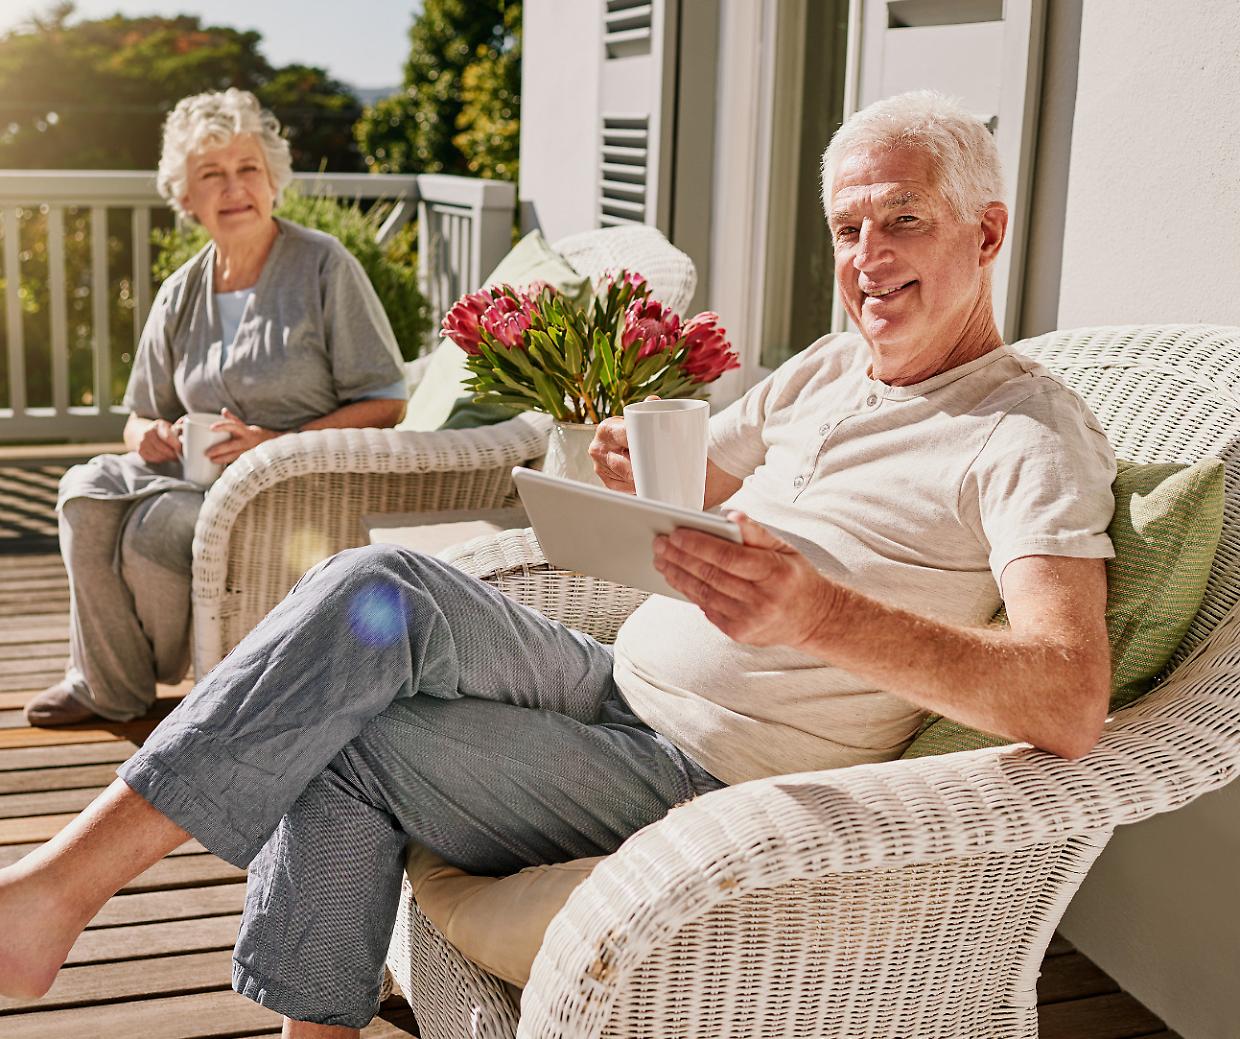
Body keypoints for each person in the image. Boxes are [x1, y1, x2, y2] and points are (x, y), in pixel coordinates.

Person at [0, 91, 1115, 1036]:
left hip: (709, 770)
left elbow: (1067, 695)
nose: (865, 261)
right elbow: (704, 484)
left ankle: (64, 904)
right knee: (365, 592)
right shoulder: (832, 368)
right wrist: (639, 477)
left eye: (902, 222)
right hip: (609, 677)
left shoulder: (1023, 435)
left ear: (987, 232)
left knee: (346, 731)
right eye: (846, 229)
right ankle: (61, 884)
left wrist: (822, 617)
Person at [24, 89, 408, 728]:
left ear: (273, 181)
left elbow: (387, 402)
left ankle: (171, 682)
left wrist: (272, 441)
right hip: (196, 474)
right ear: (187, 199)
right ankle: (108, 685)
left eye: (247, 169)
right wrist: (149, 435)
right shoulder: (183, 290)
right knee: (84, 492)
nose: (234, 188)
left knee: (157, 525)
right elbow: (139, 414)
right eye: (212, 175)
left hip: (290, 484)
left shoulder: (323, 267)